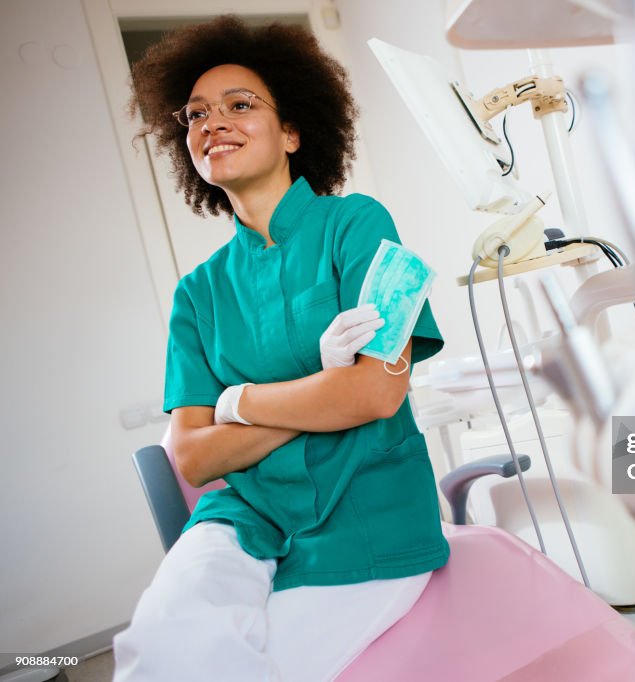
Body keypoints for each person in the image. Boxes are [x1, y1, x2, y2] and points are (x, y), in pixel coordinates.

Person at [113, 16, 448, 681]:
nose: (213, 123)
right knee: (161, 652)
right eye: (196, 114)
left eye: (240, 105)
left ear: (292, 131)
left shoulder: (362, 224)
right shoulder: (196, 294)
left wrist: (236, 404)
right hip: (241, 513)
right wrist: (321, 392)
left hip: (368, 509)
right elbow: (194, 454)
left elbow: (377, 390)